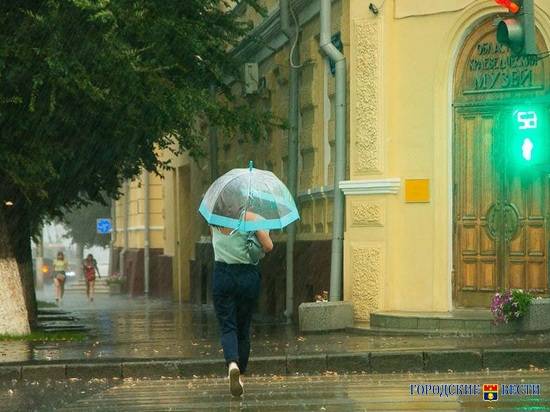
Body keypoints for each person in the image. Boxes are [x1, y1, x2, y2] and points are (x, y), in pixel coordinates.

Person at [211, 211, 273, 397]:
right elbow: (268, 246)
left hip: (222, 275)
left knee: (227, 326)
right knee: (243, 328)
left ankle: (232, 364)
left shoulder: (214, 220)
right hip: (247, 276)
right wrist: (255, 225)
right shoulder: (250, 219)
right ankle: (240, 371)